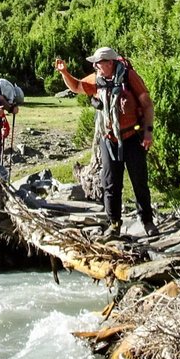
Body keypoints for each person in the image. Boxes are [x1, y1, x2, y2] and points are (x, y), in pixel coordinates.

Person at [55, 46, 156, 238]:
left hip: (132, 137)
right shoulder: (97, 79)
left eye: (98, 62)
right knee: (110, 183)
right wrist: (64, 73)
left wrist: (148, 133)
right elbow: (76, 87)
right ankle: (114, 224)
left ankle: (147, 221)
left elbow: (147, 104)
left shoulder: (129, 77)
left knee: (139, 181)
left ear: (110, 63)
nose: (95, 66)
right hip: (109, 139)